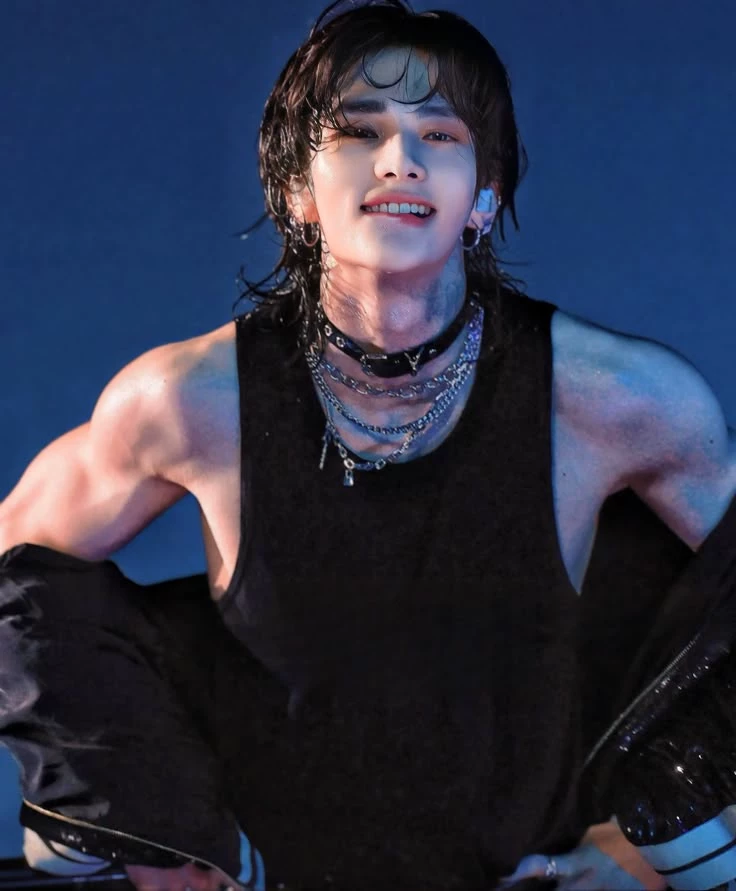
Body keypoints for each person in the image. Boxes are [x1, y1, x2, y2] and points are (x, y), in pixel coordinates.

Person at [0, 0, 734, 889]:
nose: (399, 159)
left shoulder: (616, 399)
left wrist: (635, 848)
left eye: (440, 134)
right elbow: (16, 577)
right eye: (358, 130)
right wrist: (151, 827)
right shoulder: (187, 401)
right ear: (297, 194)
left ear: (484, 197)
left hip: (523, 867)